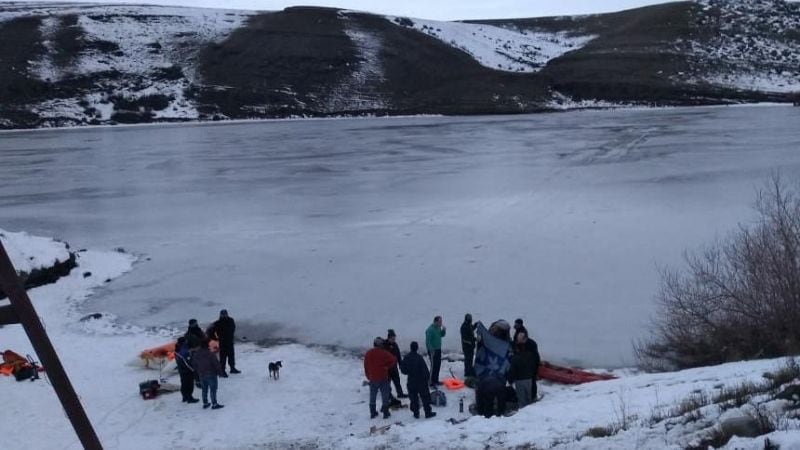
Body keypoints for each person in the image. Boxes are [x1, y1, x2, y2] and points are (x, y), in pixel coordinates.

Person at [400, 341, 436, 419]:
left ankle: (416, 413)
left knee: (413, 398)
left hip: (411, 381)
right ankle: (428, 412)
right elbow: (425, 370)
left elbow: (403, 370)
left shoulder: (407, 357)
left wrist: (408, 371)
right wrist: (427, 380)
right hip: (421, 381)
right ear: (417, 348)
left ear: (410, 348)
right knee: (425, 397)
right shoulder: (419, 358)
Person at [364, 337, 397, 419]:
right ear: (381, 345)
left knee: (373, 395)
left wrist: (368, 376)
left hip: (373, 378)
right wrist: (387, 366)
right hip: (383, 377)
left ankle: (373, 412)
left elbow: (366, 366)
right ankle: (386, 412)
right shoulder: (384, 353)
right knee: (385, 395)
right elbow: (393, 359)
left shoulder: (368, 353)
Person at [190, 339, 225, 410]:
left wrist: (198, 372)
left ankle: (205, 403)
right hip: (211, 374)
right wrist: (220, 373)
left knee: (204, 389)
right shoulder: (210, 354)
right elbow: (216, 364)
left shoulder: (196, 355)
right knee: (213, 389)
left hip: (201, 374)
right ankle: (214, 404)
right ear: (207, 345)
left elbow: (194, 365)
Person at [508, 332, 538, 408]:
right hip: (529, 378)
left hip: (520, 379)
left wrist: (510, 380)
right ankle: (531, 408)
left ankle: (523, 413)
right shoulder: (530, 355)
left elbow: (512, 370)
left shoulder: (515, 358)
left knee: (522, 400)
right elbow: (535, 362)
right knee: (528, 396)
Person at [208, 309, 240, 376]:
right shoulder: (217, 323)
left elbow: (233, 328)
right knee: (223, 357)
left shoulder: (231, 320)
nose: (224, 315)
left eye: (225, 314)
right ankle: (222, 370)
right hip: (222, 342)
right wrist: (216, 338)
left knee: (231, 355)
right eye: (223, 314)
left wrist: (231, 335)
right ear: (220, 315)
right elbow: (210, 332)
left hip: (230, 341)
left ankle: (232, 368)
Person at [174, 337, 199, 404]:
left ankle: (184, 397)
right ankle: (189, 398)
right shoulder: (184, 352)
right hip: (187, 371)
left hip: (181, 370)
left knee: (183, 384)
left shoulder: (177, 350)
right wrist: (193, 369)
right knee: (189, 384)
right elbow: (187, 362)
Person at [384, 329, 406, 402]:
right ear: (389, 338)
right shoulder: (384, 345)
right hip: (387, 368)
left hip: (394, 367)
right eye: (392, 338)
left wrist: (401, 365)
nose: (394, 340)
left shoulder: (395, 344)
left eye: (394, 338)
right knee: (387, 382)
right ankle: (388, 394)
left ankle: (400, 393)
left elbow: (398, 355)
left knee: (397, 381)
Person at [425, 316, 446, 386]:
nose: (441, 323)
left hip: (438, 349)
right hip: (432, 351)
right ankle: (430, 382)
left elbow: (441, 335)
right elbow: (428, 341)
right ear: (435, 321)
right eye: (440, 321)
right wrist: (431, 349)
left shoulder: (438, 328)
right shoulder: (430, 329)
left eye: (441, 321)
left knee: (438, 365)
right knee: (433, 366)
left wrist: (444, 330)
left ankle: (435, 380)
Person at [460, 314, 477, 378]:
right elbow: (465, 338)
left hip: (471, 346)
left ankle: (468, 371)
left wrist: (476, 325)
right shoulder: (464, 327)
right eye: (470, 319)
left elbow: (471, 329)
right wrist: (474, 339)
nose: (471, 320)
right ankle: (468, 372)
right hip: (467, 347)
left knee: (470, 359)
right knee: (468, 359)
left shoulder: (469, 325)